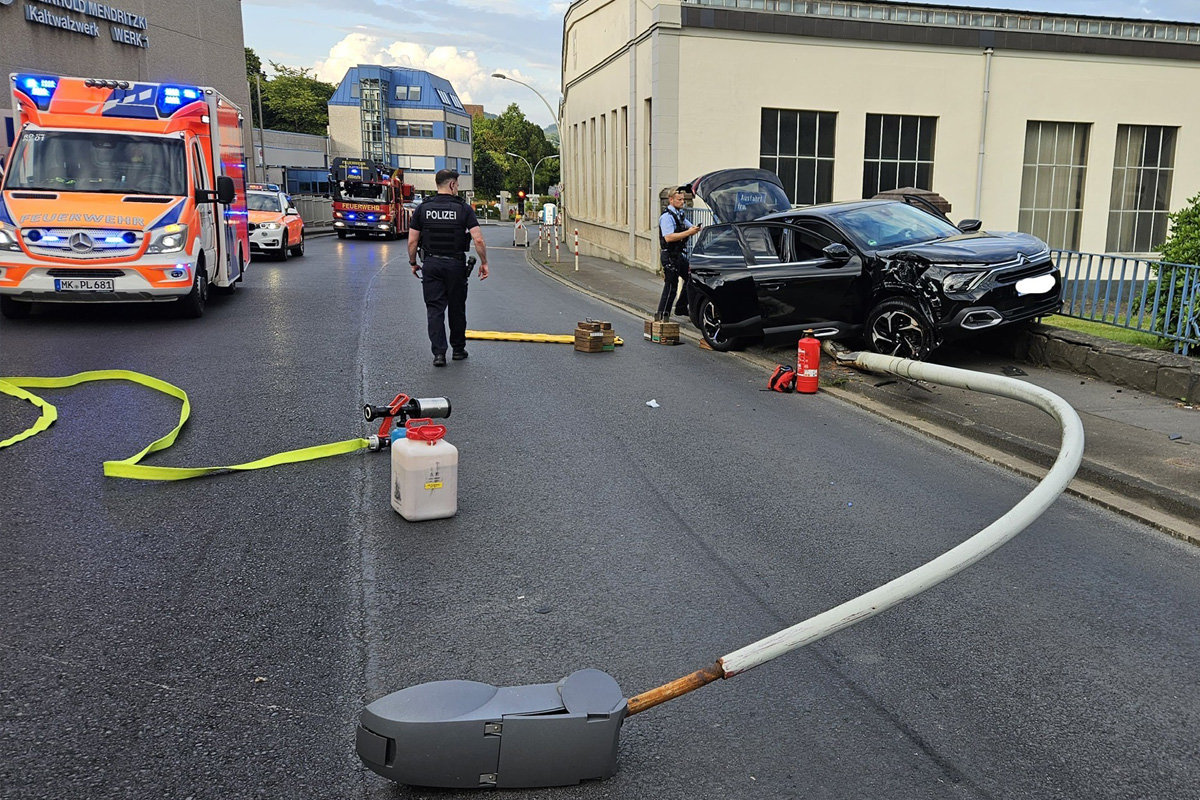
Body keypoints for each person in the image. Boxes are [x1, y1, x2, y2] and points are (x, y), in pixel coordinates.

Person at [408, 169, 489, 367]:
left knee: (434, 309)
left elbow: (412, 241)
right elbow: (478, 239)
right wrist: (484, 262)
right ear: (452, 185)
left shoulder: (423, 208)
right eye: (458, 185)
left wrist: (413, 263)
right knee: (456, 308)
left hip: (432, 264)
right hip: (455, 264)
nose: (458, 188)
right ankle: (458, 350)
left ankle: (439, 354)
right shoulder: (463, 209)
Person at [657, 187, 702, 321]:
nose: (683, 202)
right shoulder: (666, 218)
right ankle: (662, 316)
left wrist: (700, 229)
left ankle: (681, 307)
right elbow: (669, 237)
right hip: (669, 255)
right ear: (671, 200)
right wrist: (689, 233)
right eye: (679, 199)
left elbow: (691, 227)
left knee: (691, 277)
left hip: (678, 255)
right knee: (671, 286)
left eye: (683, 199)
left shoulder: (679, 215)